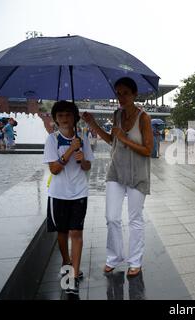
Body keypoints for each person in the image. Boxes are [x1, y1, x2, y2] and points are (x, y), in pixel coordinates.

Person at [82, 77, 153, 277]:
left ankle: (135, 261)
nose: (121, 98)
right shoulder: (117, 114)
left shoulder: (144, 118)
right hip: (116, 170)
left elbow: (148, 150)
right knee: (111, 217)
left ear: (134, 95)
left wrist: (124, 138)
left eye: (125, 93)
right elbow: (113, 140)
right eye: (118, 93)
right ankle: (114, 257)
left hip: (137, 174)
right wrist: (93, 123)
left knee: (134, 219)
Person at [43, 101, 94, 295]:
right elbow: (54, 170)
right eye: (61, 116)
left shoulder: (83, 138)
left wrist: (82, 160)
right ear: (56, 119)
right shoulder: (52, 140)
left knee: (76, 233)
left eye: (68, 115)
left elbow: (88, 166)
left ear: (75, 118)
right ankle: (66, 261)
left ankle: (73, 274)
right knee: (62, 232)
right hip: (58, 194)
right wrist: (71, 150)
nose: (65, 119)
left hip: (79, 192)